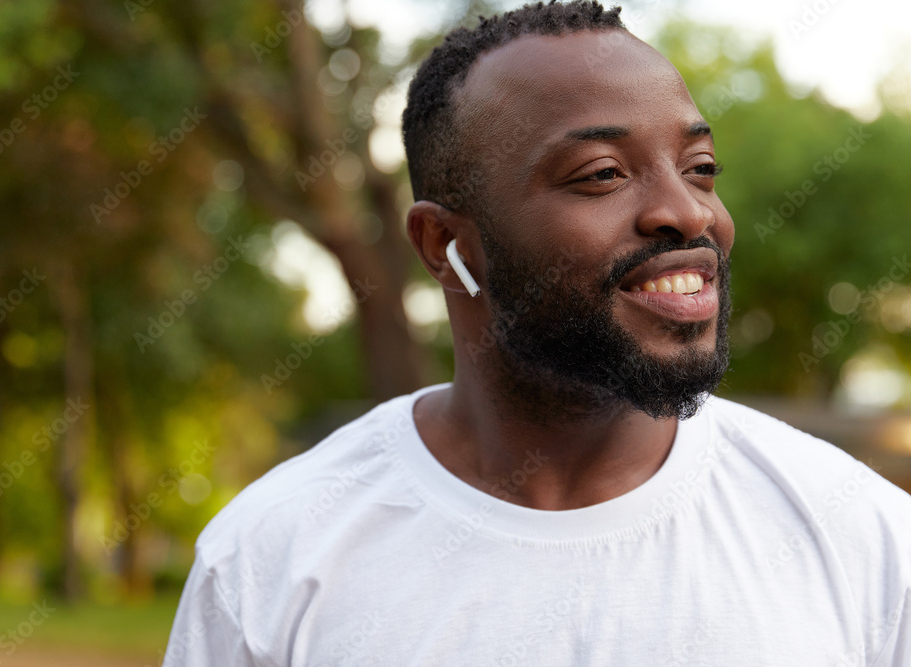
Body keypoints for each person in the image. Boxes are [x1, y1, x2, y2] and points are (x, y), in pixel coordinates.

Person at [163, 2, 911, 664]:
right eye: (601, 174)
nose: (689, 213)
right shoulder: (271, 559)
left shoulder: (860, 534)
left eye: (700, 166)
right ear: (443, 245)